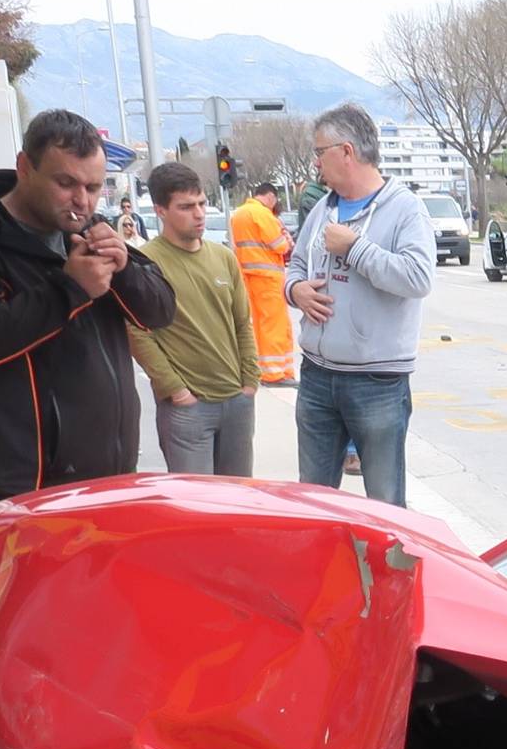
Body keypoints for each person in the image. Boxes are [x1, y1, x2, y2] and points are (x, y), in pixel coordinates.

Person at [0, 109, 174, 510]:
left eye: (93, 187)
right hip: (27, 486)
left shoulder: (89, 229)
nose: (82, 200)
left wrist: (127, 270)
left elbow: (161, 313)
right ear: (25, 167)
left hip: (110, 475)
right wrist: (69, 289)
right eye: (66, 183)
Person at [285, 103, 436, 505]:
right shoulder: (323, 208)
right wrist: (295, 290)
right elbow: (296, 263)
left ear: (346, 151)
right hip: (316, 376)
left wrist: (355, 248)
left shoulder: (405, 209)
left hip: (377, 383)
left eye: (320, 153)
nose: (316, 164)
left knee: (384, 503)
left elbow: (417, 278)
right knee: (314, 498)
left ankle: (385, 570)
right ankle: (323, 568)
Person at [128, 163, 261, 477]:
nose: (199, 213)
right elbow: (136, 332)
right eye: (186, 207)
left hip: (237, 400)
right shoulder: (146, 263)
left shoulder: (223, 257)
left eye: (201, 203)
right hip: (188, 407)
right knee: (196, 506)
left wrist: (250, 380)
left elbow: (242, 322)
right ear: (161, 210)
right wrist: (175, 390)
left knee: (238, 501)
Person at [230, 182, 298, 387]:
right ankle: (276, 374)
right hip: (268, 277)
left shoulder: (239, 214)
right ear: (271, 197)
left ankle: (260, 369)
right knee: (274, 324)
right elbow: (279, 245)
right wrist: (287, 241)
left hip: (248, 276)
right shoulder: (263, 214)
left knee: (257, 325)